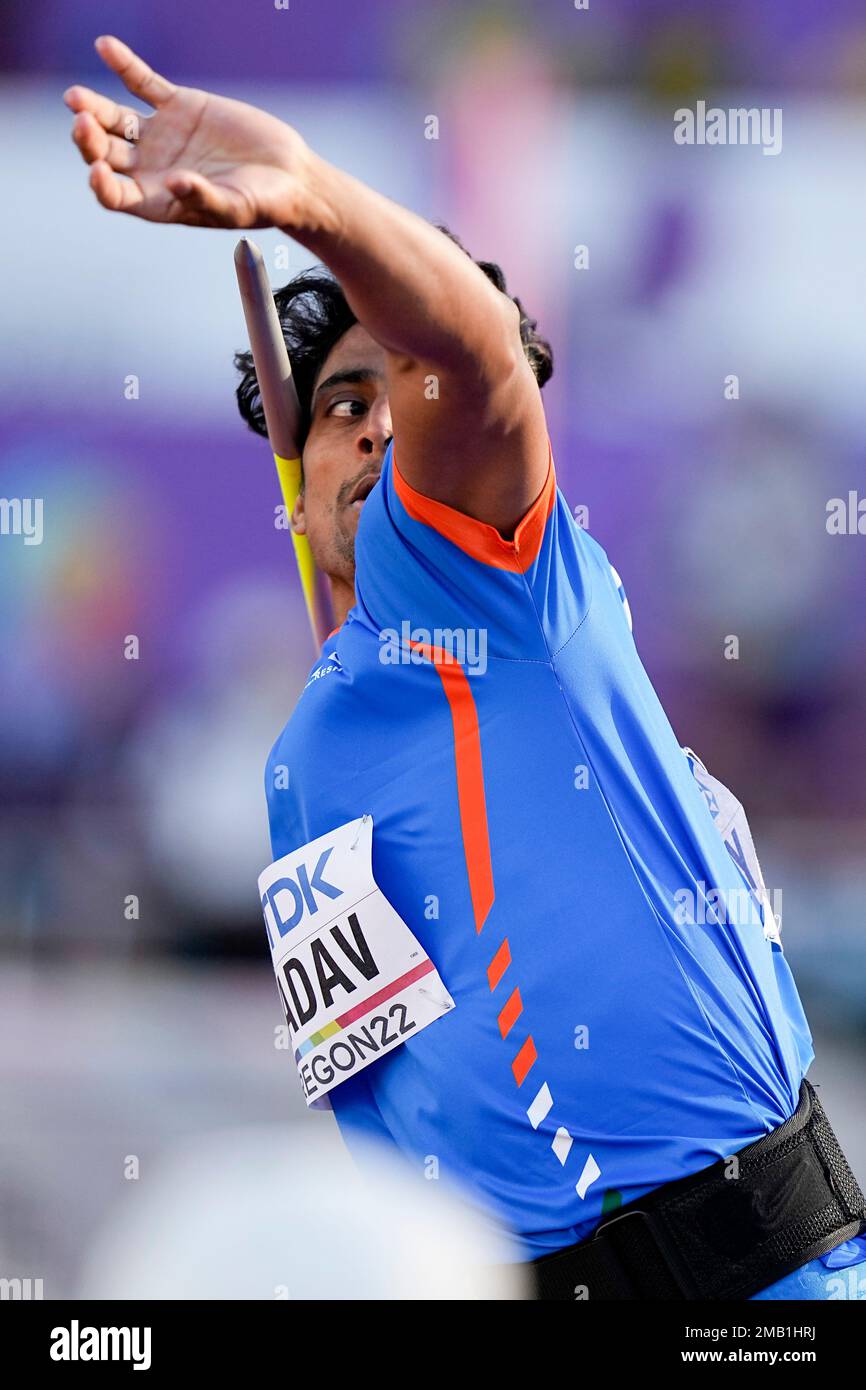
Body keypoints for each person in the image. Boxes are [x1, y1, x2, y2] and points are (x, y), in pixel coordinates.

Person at [65, 36, 865, 1300]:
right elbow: (397, 1126)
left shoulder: (504, 583)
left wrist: (308, 196)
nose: (382, 423)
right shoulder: (303, 769)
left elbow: (474, 362)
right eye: (340, 404)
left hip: (762, 1290)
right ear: (292, 466)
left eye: (404, 394)